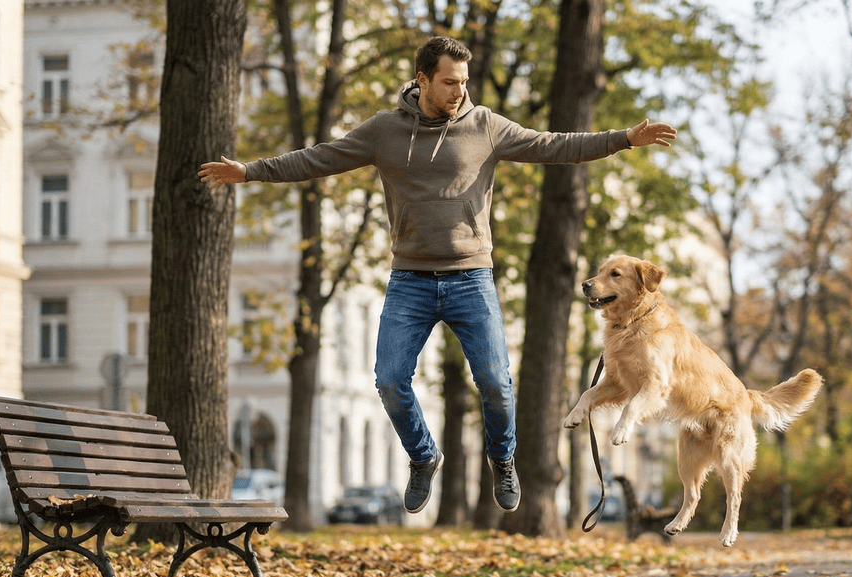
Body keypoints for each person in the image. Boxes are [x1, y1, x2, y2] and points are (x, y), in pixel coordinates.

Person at [199, 35, 676, 516]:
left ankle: (502, 458)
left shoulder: (485, 125)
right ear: (422, 79)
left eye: (463, 82)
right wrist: (251, 171)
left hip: (471, 277)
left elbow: (553, 145)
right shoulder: (384, 131)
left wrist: (623, 140)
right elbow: (319, 156)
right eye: (449, 82)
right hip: (411, 280)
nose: (458, 92)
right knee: (389, 380)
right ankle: (424, 455)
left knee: (494, 380)